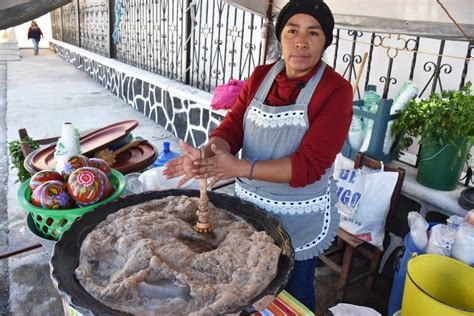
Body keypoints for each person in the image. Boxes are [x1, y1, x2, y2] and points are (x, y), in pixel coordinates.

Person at [163, 0, 352, 311]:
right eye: (292, 30)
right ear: (281, 35)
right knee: (249, 282)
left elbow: (310, 165)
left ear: (325, 41)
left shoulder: (336, 90)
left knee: (293, 290)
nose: (301, 41)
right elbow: (232, 128)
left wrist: (240, 166)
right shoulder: (262, 75)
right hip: (252, 207)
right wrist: (206, 154)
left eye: (313, 33)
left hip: (297, 217)